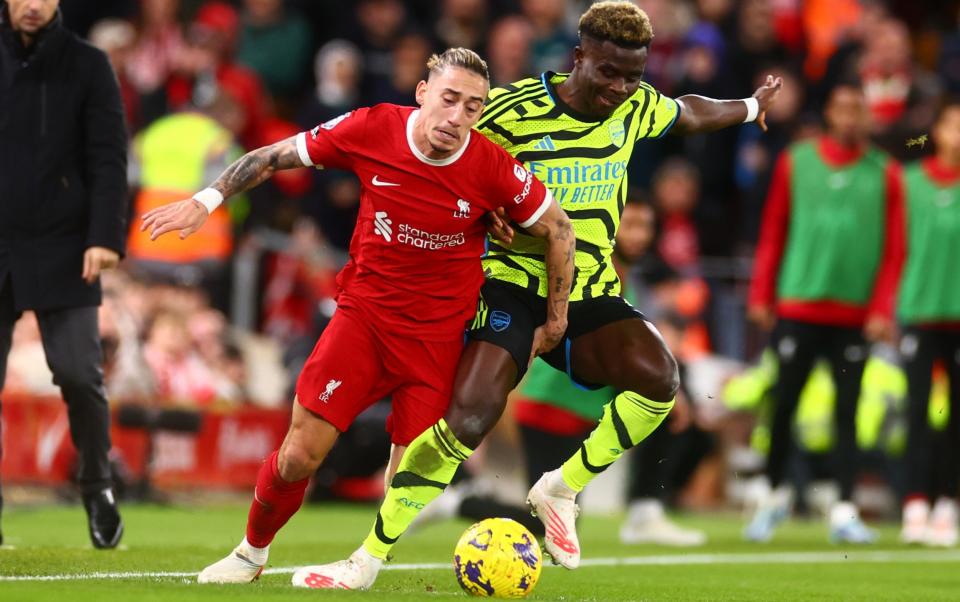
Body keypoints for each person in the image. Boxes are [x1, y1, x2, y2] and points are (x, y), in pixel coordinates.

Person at [308, 1, 781, 589]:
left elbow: (687, 113)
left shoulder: (635, 106)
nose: (620, 87)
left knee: (660, 379)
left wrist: (751, 107)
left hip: (588, 289)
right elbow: (445, 158)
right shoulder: (509, 110)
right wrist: (483, 216)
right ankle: (367, 558)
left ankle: (560, 488)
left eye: (633, 75)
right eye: (608, 71)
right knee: (471, 415)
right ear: (578, 57)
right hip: (511, 284)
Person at [139, 47, 575, 586]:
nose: (457, 117)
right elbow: (273, 156)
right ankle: (250, 554)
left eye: (472, 107)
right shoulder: (372, 128)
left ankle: (365, 565)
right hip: (363, 321)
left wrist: (554, 322)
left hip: (437, 339)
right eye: (449, 99)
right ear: (422, 93)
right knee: (299, 455)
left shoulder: (489, 167)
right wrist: (204, 202)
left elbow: (559, 229)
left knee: (407, 481)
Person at [745, 81, 903, 544]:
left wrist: (882, 308)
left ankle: (845, 509)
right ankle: (772, 498)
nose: (851, 116)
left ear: (869, 117)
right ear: (830, 113)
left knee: (848, 414)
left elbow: (895, 249)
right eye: (843, 107)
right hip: (798, 303)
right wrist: (761, 294)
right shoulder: (796, 162)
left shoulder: (886, 172)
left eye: (859, 109)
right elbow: (774, 231)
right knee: (783, 404)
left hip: (855, 313)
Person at [0, 0, 127, 548]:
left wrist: (104, 236)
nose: (33, 5)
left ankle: (97, 485)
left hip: (65, 244)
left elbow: (108, 157)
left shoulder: (89, 64)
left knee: (79, 374)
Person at [895, 101, 960, 547]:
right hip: (917, 311)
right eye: (953, 123)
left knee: (956, 419)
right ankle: (914, 504)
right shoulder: (908, 182)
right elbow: (893, 249)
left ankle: (948, 506)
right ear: (936, 130)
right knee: (917, 411)